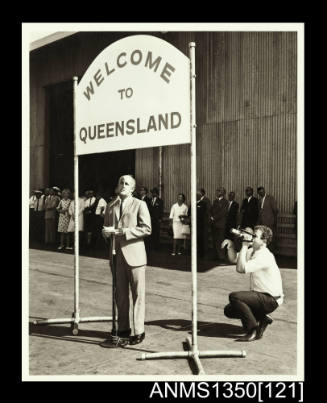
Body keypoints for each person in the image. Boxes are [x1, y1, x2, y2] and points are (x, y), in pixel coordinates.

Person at [101, 175, 151, 346]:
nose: (123, 185)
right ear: (117, 186)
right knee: (120, 295)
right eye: (121, 182)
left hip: (135, 256)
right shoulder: (110, 206)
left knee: (138, 295)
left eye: (127, 183)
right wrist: (106, 233)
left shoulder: (139, 204)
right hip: (116, 256)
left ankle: (139, 331)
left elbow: (147, 228)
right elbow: (107, 228)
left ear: (132, 189)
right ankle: (123, 328)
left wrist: (124, 232)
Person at [222, 225, 284, 341]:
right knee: (229, 310)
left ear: (263, 241)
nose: (252, 237)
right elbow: (235, 259)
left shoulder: (265, 255)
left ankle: (253, 330)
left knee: (235, 297)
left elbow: (240, 269)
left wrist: (244, 245)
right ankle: (263, 317)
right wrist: (230, 246)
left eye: (255, 236)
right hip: (260, 296)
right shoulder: (252, 251)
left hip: (271, 299)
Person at [210, 187, 229, 264]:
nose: (217, 192)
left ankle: (222, 256)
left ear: (223, 193)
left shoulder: (225, 202)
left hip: (221, 224)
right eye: (217, 191)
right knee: (215, 240)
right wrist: (211, 216)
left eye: (219, 191)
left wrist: (214, 218)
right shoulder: (215, 201)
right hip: (214, 224)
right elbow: (211, 210)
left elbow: (223, 212)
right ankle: (215, 255)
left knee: (221, 240)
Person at [257, 187, 278, 251]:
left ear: (264, 191)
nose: (261, 193)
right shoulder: (259, 200)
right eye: (260, 192)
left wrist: (274, 220)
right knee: (264, 238)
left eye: (262, 191)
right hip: (262, 223)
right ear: (258, 193)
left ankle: (271, 252)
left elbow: (275, 210)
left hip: (270, 222)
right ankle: (265, 251)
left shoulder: (270, 198)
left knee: (270, 238)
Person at [196, 188, 210, 258]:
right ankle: (198, 251)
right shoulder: (195, 200)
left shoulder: (206, 200)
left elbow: (207, 211)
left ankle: (204, 252)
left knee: (204, 238)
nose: (197, 195)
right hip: (197, 222)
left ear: (203, 193)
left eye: (199, 193)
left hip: (204, 222)